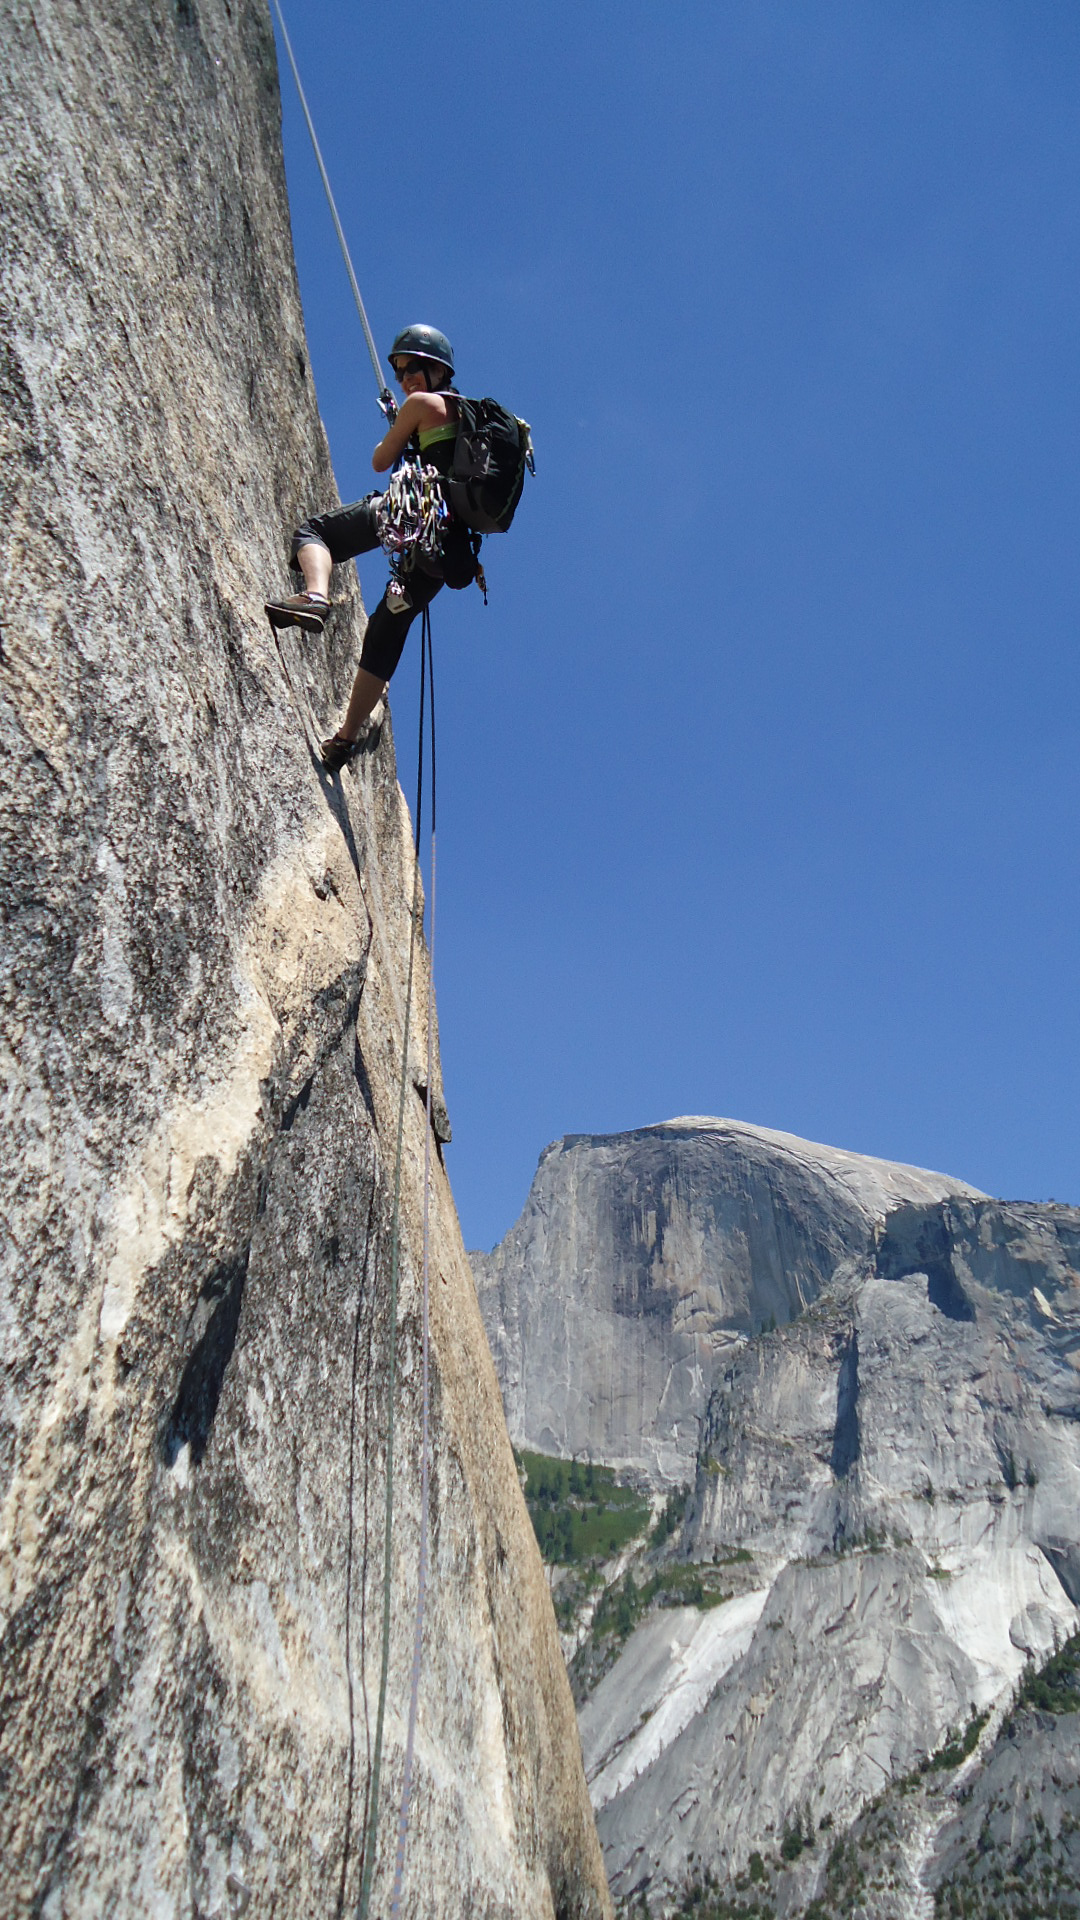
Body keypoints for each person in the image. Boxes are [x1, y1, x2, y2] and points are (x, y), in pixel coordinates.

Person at [265, 325, 477, 773]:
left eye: (412, 369)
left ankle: (315, 598)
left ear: (436, 369)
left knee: (314, 532)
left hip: (409, 514)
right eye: (400, 373)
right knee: (384, 634)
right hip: (443, 552)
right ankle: (344, 740)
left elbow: (381, 460)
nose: (405, 380)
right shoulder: (469, 419)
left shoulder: (421, 406)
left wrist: (398, 426)